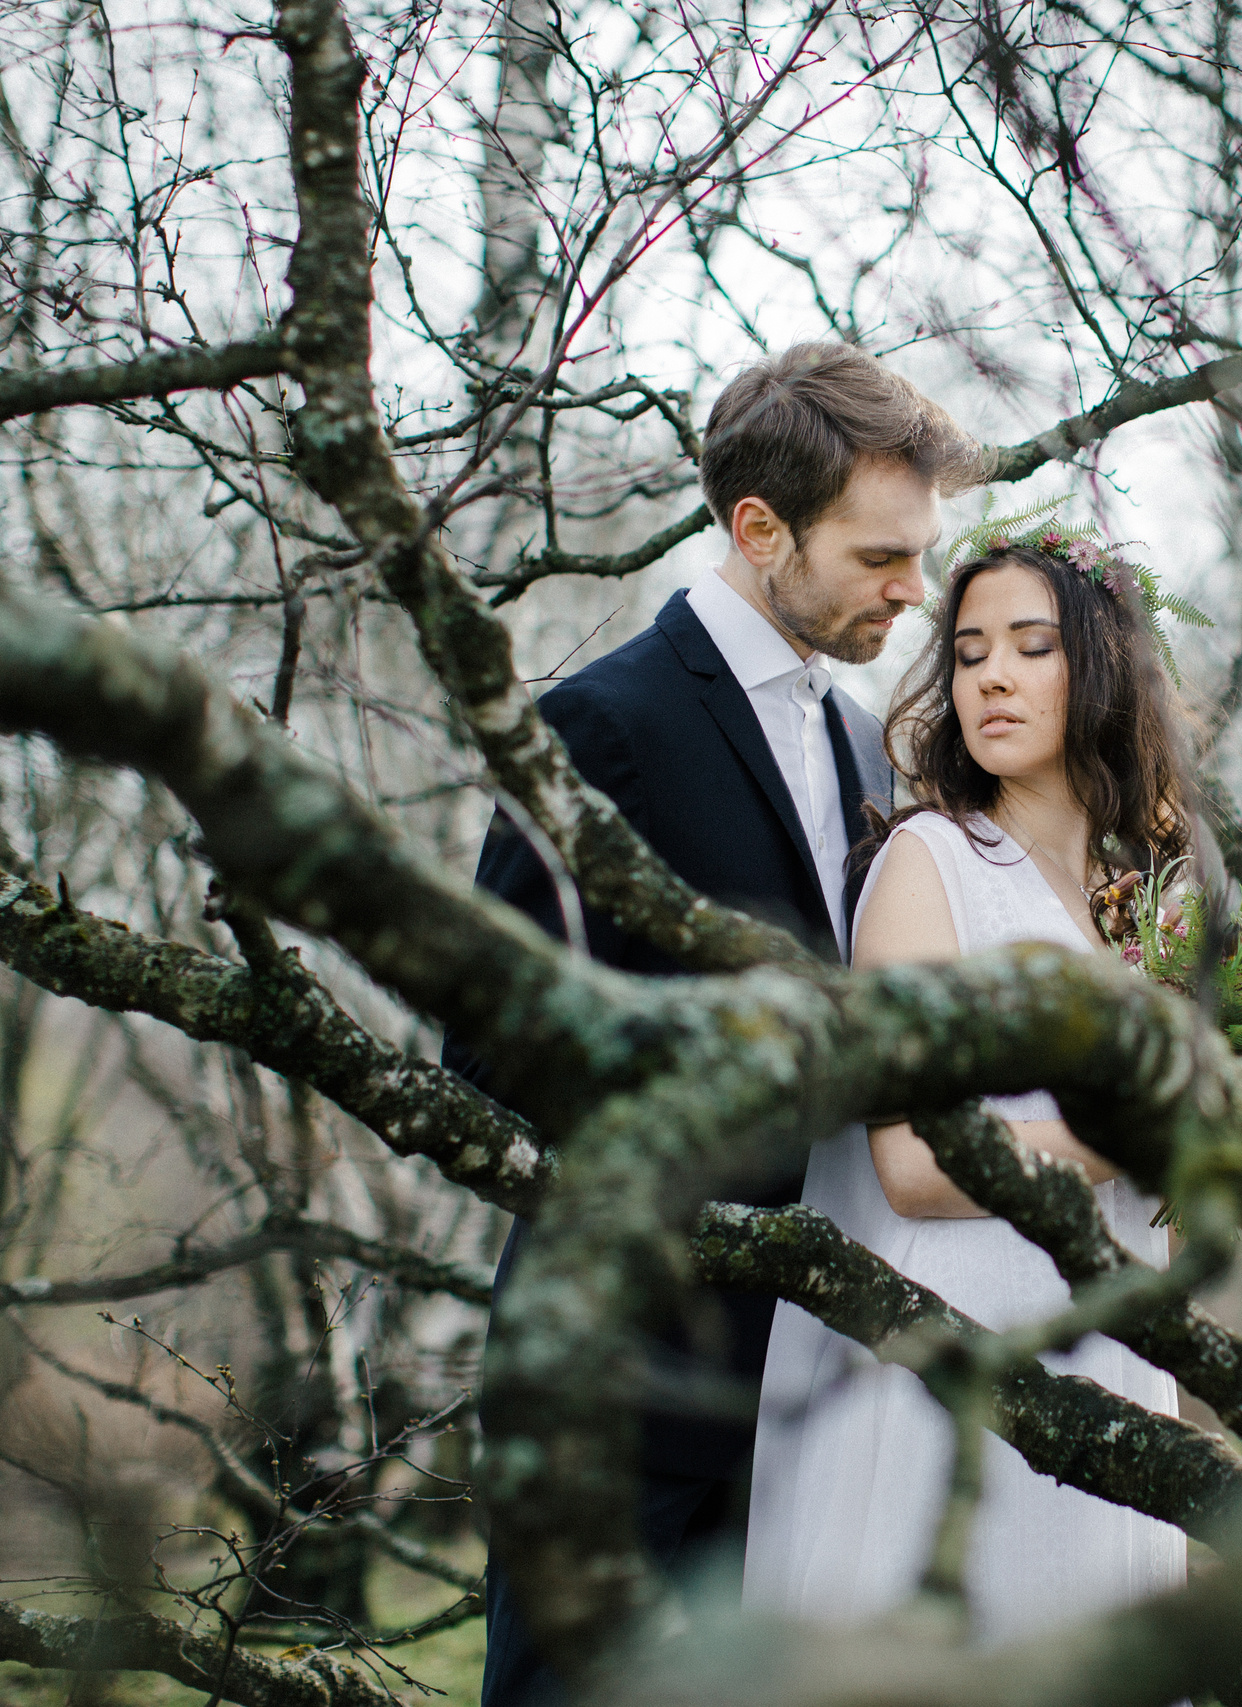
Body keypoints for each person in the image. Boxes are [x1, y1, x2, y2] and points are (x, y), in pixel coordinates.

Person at [450, 342, 984, 1707]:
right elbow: (486, 1052)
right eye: (881, 556)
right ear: (759, 528)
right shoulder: (600, 728)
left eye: (920, 555)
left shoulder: (866, 745)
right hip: (615, 1391)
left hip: (807, 1396)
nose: (912, 592)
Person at [742, 533, 1195, 1640]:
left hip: (1114, 1343)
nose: (990, 675)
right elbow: (909, 1163)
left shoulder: (1146, 902)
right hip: (960, 1341)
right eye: (970, 651)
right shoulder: (929, 863)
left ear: (1103, 674)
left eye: (1032, 647)